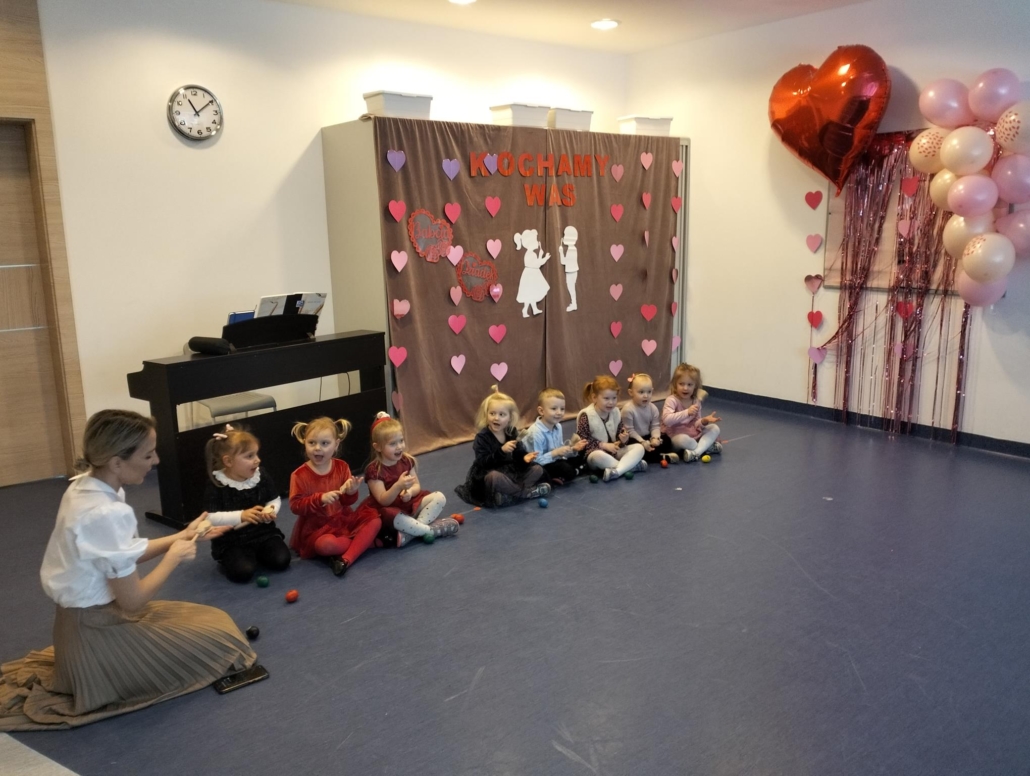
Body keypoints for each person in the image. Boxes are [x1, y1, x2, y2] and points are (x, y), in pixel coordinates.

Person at [0, 410, 255, 731]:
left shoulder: (87, 486)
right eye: (148, 455)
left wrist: (181, 535)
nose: (156, 461)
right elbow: (132, 601)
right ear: (117, 463)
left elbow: (121, 553)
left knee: (216, 623)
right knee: (224, 643)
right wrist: (173, 556)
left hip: (82, 622)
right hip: (95, 632)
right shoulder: (106, 512)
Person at [288, 417, 381, 577]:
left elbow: (347, 501)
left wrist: (351, 492)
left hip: (343, 519)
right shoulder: (299, 475)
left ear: (336, 444)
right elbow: (295, 506)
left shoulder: (342, 467)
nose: (317, 448)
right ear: (305, 443)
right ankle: (366, 542)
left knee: (375, 520)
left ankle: (346, 558)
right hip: (317, 527)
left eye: (325, 443)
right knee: (325, 546)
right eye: (312, 443)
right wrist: (320, 499)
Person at [203, 425, 291, 583]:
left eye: (256, 454)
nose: (257, 460)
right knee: (243, 572)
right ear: (228, 461)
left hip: (263, 534)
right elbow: (210, 518)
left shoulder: (261, 475)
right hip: (232, 541)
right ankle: (238, 558)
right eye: (249, 456)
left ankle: (256, 554)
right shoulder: (217, 484)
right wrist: (241, 516)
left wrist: (270, 509)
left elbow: (274, 498)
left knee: (282, 560)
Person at [361, 412, 458, 547]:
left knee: (439, 497)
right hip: (390, 511)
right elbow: (383, 500)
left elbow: (416, 486)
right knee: (391, 514)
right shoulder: (374, 470)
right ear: (378, 447)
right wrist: (398, 486)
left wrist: (410, 492)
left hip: (409, 505)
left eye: (401, 441)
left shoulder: (406, 461)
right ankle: (430, 530)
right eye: (392, 444)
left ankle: (411, 532)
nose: (399, 446)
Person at [456, 386, 550, 507]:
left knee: (537, 469)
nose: (496, 418)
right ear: (486, 415)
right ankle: (527, 493)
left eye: (502, 414)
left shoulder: (511, 432)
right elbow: (483, 462)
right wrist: (501, 451)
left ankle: (509, 495)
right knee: (494, 478)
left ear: (510, 418)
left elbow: (518, 454)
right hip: (491, 471)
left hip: (512, 472)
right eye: (492, 413)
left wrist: (524, 458)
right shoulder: (482, 437)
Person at [576, 376, 647, 482]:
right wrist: (603, 445)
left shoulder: (616, 412)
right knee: (597, 456)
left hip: (614, 453)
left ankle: (617, 471)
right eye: (606, 398)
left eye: (614, 398)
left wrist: (623, 440)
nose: (611, 402)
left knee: (639, 448)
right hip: (595, 455)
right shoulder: (586, 415)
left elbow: (620, 433)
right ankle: (630, 466)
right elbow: (583, 441)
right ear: (594, 397)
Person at [521, 388, 586, 485]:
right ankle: (576, 471)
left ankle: (570, 472)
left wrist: (573, 449)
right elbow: (536, 461)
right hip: (539, 465)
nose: (559, 412)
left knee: (581, 452)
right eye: (554, 409)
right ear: (541, 411)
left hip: (554, 460)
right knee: (564, 468)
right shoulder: (535, 433)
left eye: (562, 409)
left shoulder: (558, 426)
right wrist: (555, 453)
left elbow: (560, 450)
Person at [662, 363, 723, 462]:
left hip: (693, 434)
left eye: (689, 385)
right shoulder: (671, 400)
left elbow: (696, 424)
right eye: (681, 384)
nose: (685, 388)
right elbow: (667, 420)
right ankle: (704, 447)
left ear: (695, 386)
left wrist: (704, 421)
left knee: (714, 428)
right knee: (683, 439)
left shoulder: (696, 401)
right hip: (675, 436)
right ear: (675, 384)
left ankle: (695, 453)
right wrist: (687, 412)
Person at [621, 373, 680, 465]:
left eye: (649, 392)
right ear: (631, 392)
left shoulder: (653, 408)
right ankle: (661, 457)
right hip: (635, 438)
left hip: (648, 436)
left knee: (667, 440)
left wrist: (655, 438)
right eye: (641, 392)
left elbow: (655, 426)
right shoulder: (628, 409)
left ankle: (653, 454)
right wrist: (642, 442)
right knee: (638, 449)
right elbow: (630, 431)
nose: (646, 396)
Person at [514, 228, 551, 317]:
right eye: (535, 240)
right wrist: (545, 258)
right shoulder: (530, 254)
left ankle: (533, 309)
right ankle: (526, 310)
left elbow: (536, 262)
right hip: (531, 275)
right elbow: (537, 264)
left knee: (531, 293)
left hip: (531, 274)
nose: (537, 242)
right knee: (530, 293)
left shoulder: (530, 253)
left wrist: (540, 255)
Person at [558, 225, 580, 312]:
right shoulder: (573, 248)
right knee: (571, 287)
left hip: (571, 271)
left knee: (571, 287)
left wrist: (560, 251)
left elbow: (563, 261)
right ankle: (573, 303)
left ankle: (574, 303)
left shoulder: (571, 250)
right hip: (573, 270)